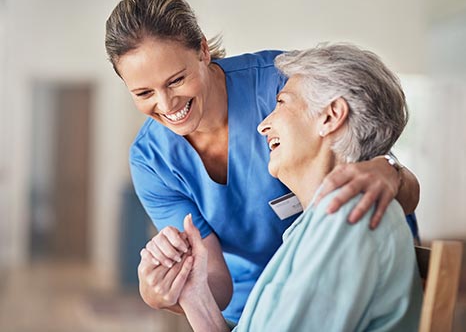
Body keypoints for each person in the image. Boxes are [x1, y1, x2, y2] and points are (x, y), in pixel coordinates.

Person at [105, 0, 421, 322]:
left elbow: (370, 145)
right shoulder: (152, 158)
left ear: (202, 50)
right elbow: (209, 276)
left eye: (177, 80)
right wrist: (173, 288)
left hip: (340, 271)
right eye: (143, 93)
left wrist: (389, 170)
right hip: (259, 304)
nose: (167, 105)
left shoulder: (285, 84)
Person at [176, 43, 423, 331]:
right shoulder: (318, 224)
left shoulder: (348, 219)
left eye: (281, 103)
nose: (262, 125)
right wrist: (196, 297)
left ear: (330, 117)